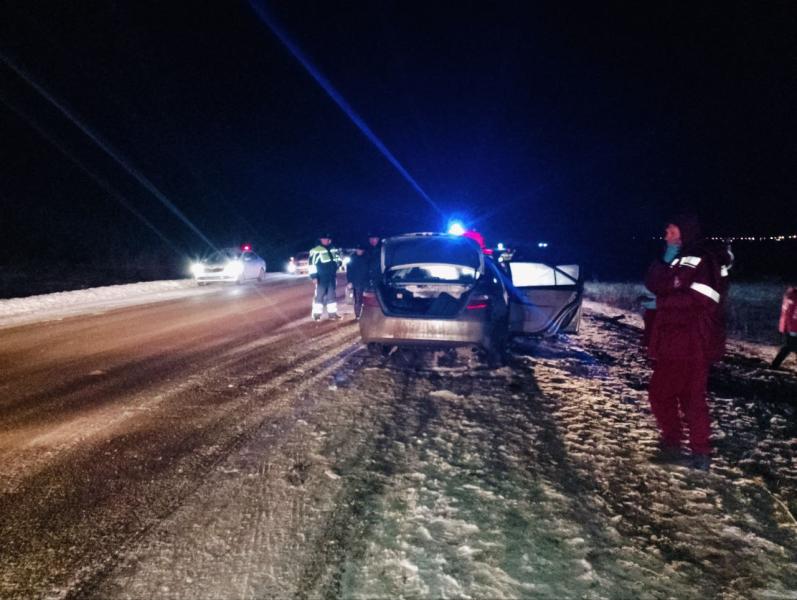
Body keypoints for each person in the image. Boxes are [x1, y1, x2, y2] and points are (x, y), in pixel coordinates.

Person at [644, 213, 732, 471]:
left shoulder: (704, 258)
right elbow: (655, 284)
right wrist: (665, 258)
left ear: (684, 231)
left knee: (670, 394)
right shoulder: (681, 257)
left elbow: (703, 299)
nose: (666, 235)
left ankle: (683, 446)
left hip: (692, 340)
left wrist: (660, 303)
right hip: (676, 340)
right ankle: (694, 450)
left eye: (671, 231)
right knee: (682, 396)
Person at [308, 234, 342, 321]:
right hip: (321, 278)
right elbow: (311, 265)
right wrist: (314, 277)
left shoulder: (333, 249)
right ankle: (316, 314)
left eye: (327, 239)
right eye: (324, 239)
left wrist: (339, 263)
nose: (326, 240)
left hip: (331, 277)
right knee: (319, 296)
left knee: (331, 296)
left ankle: (332, 314)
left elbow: (338, 260)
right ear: (320, 240)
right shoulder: (315, 251)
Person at [771, 286, 797, 369]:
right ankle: (774, 365)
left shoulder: (790, 293)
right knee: (788, 346)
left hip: (787, 325)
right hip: (794, 326)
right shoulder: (794, 296)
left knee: (790, 346)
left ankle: (774, 365)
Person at [346, 244, 369, 319]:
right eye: (358, 250)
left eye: (361, 250)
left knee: (366, 299)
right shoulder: (352, 258)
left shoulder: (367, 257)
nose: (360, 251)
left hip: (366, 281)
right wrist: (349, 281)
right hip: (356, 282)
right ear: (356, 250)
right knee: (358, 299)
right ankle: (358, 315)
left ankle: (366, 314)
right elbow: (349, 271)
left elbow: (369, 269)